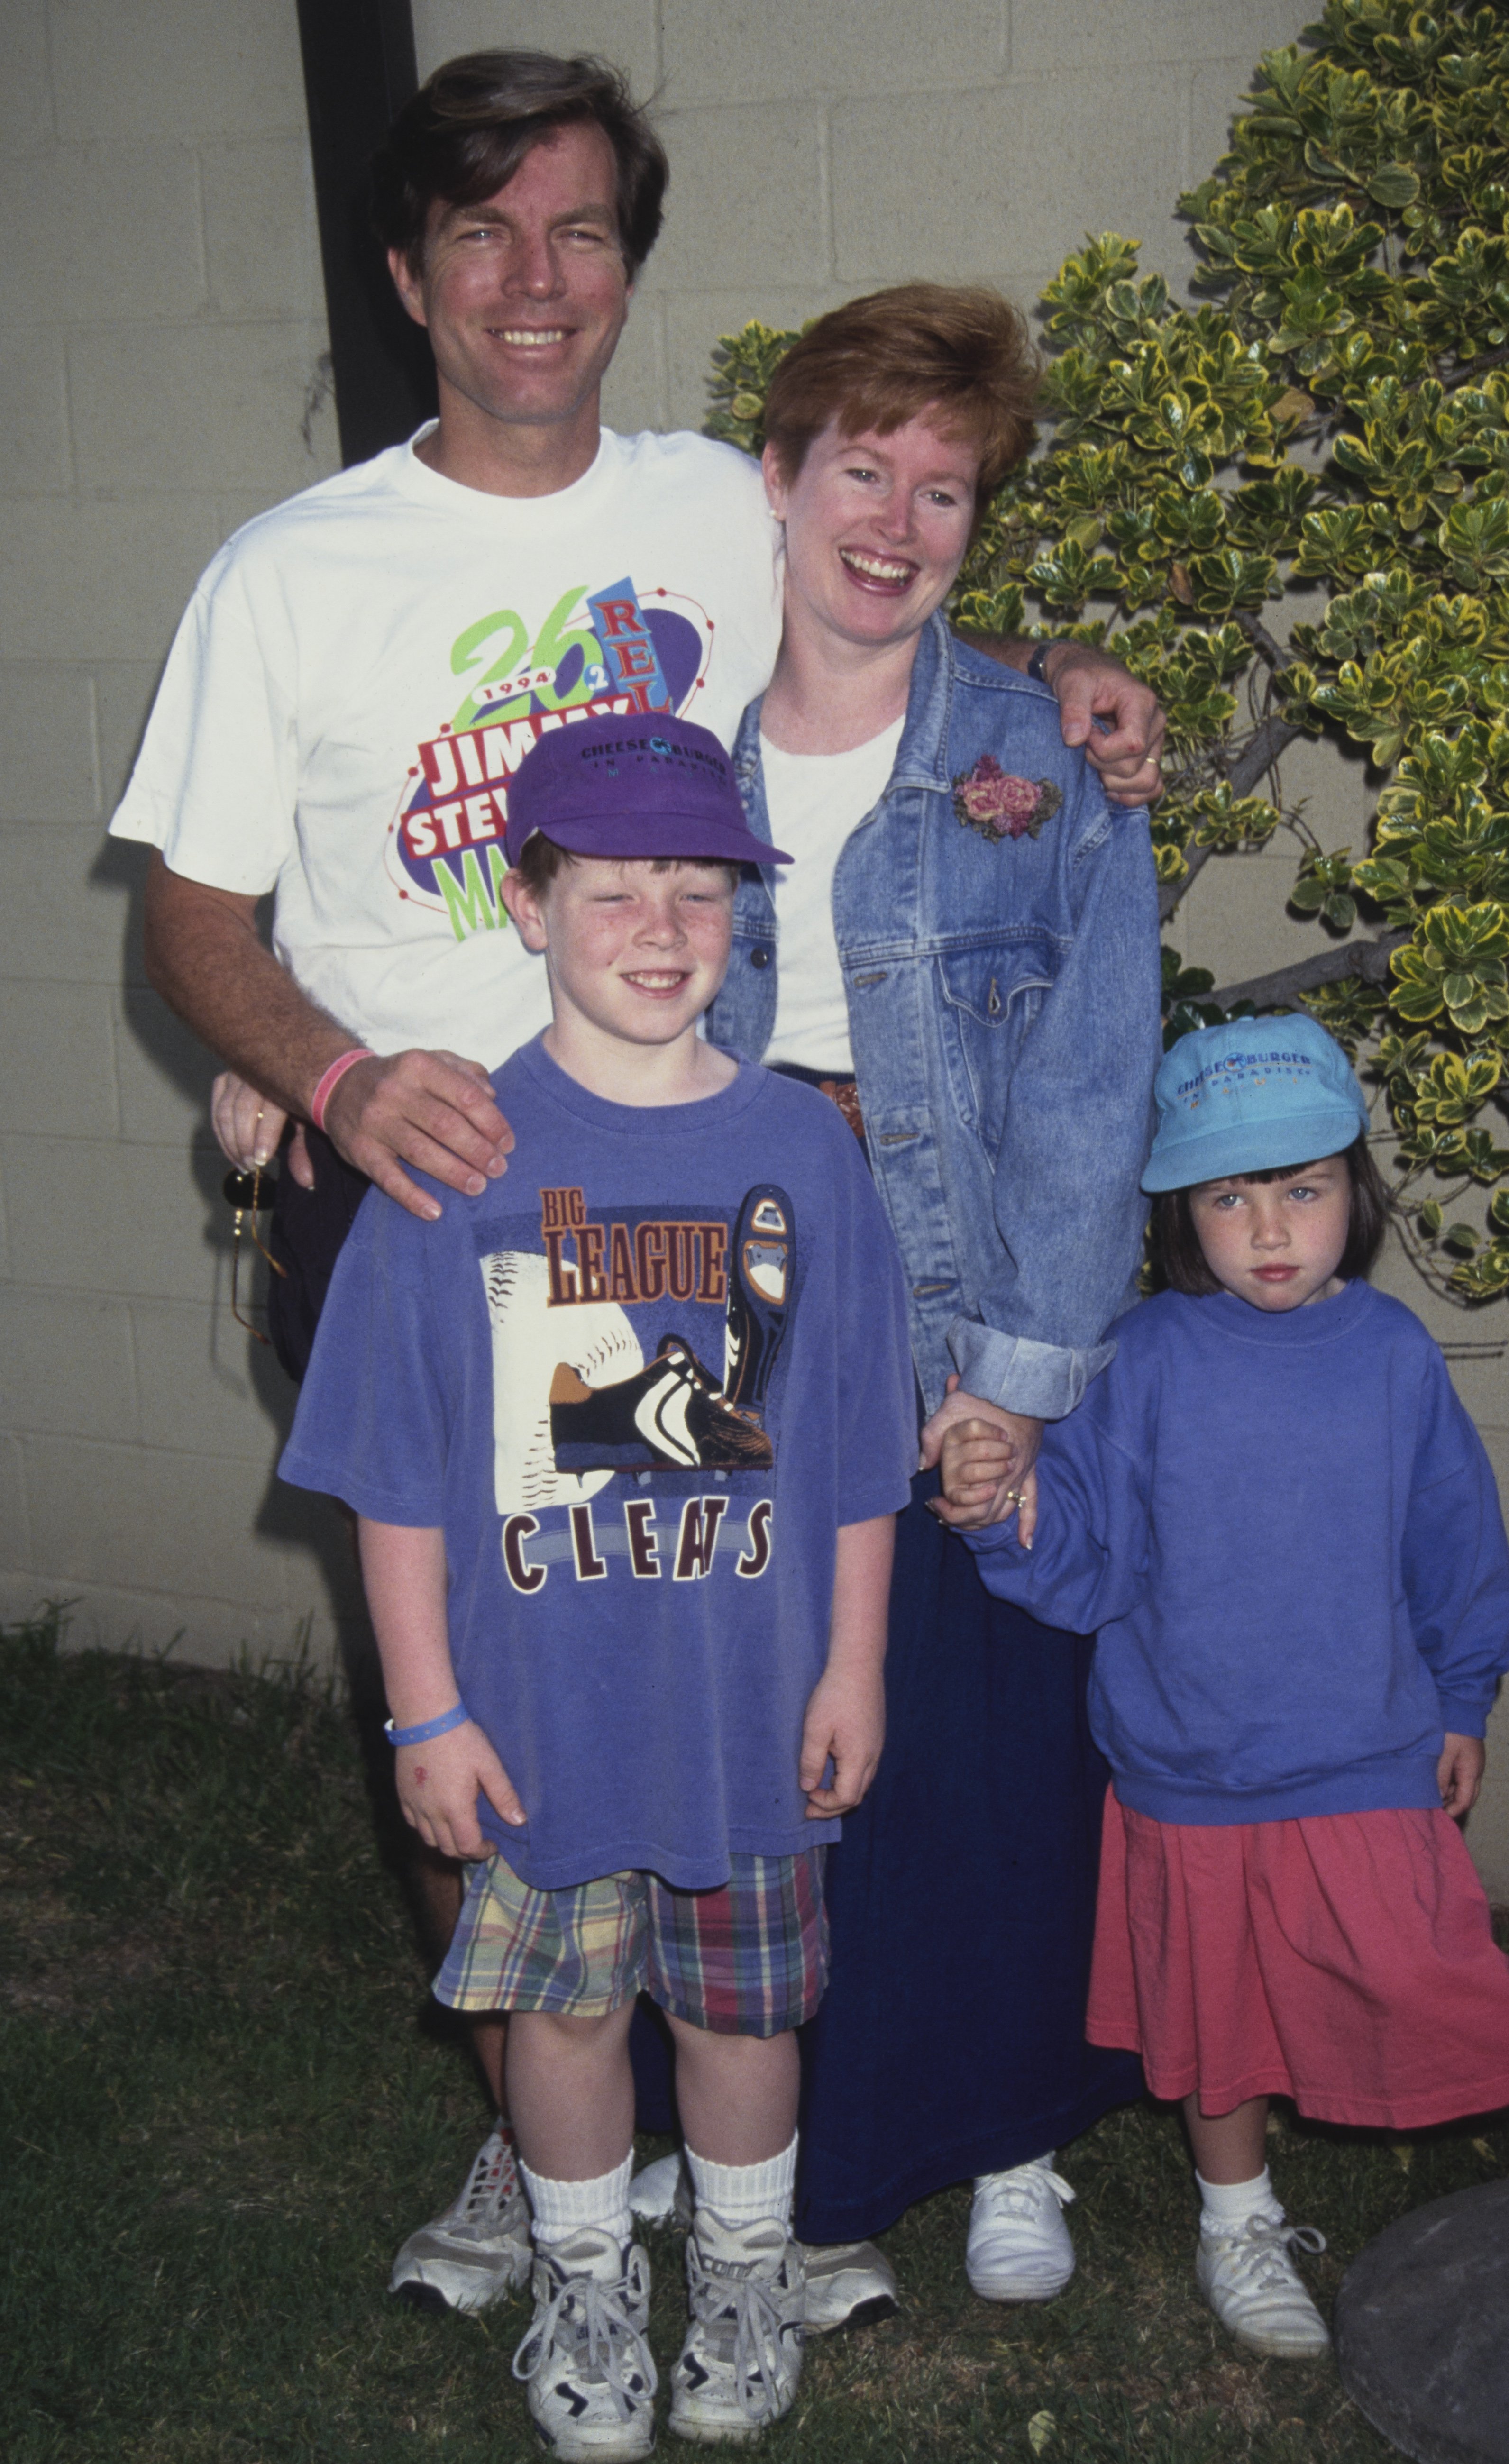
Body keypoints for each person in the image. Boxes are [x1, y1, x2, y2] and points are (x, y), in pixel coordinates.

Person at [106, 48, 1168, 2321]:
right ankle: (540, 2141)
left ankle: (751, 2152)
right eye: (480, 233)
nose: (533, 278)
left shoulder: (711, 494)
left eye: (579, 230)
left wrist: (1062, 685)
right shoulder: (288, 571)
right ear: (407, 276)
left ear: (628, 268)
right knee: (482, 1681)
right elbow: (191, 921)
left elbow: (890, 603)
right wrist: (322, 1067)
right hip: (438, 1185)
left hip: (725, 1180)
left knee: (731, 1634)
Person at [279, 714, 916, 2461]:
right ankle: (580, 2280)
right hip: (540, 1723)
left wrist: (853, 1666)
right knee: (561, 2012)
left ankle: (742, 2269)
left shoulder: (806, 1147)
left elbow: (858, 1444)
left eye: (698, 888)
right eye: (614, 885)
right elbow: (395, 1472)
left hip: (751, 1718)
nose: (658, 923)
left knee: (740, 2009)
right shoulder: (459, 1154)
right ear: (529, 897)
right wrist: (428, 1704)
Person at [938, 1014, 1509, 2357]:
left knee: (1436, 1970)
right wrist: (1002, 1510)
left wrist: (1463, 1699)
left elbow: (1458, 1547)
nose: (1270, 1226)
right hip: (1184, 1774)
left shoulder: (1392, 1356)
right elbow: (1087, 1562)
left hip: (1359, 1760)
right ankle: (1240, 2224)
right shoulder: (1141, 1359)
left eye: (1303, 1188)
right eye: (1230, 1194)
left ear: (1356, 1190)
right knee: (1217, 2019)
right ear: (1181, 1212)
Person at [681, 281, 1161, 2301]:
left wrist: (1025, 1382)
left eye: (944, 488)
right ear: (778, 477)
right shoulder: (662, 729)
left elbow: (1088, 1078)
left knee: (986, 1740)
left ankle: (1016, 2123)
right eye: (859, 467)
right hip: (713, 1316)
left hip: (959, 1307)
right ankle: (775, 2140)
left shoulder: (1038, 760)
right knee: (775, 1742)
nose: (894, 521)